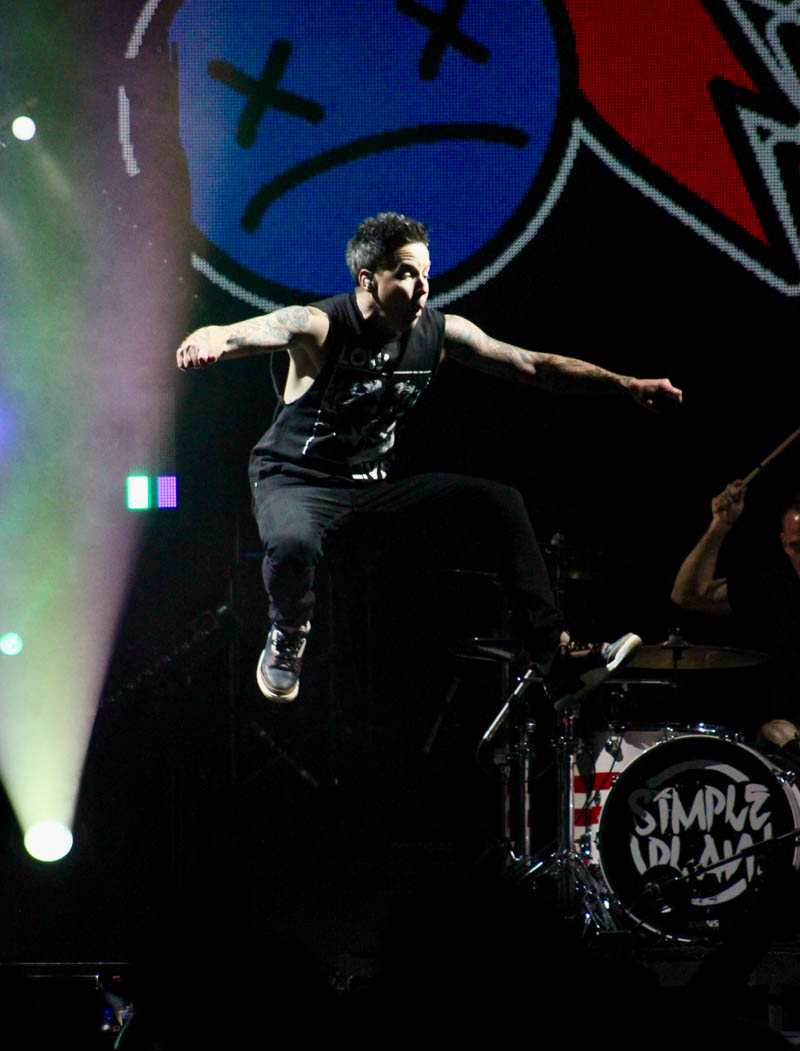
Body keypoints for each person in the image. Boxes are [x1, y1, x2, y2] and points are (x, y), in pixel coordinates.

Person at [177, 213, 681, 703]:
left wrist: (625, 385)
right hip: (295, 482)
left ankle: (554, 655)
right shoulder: (322, 326)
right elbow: (246, 331)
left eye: (426, 274)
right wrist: (209, 339)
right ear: (367, 280)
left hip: (371, 490)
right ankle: (288, 634)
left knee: (499, 501)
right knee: (292, 542)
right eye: (406, 274)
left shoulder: (439, 332)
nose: (422, 288)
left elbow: (530, 365)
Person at [671, 478, 800, 751]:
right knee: (776, 732)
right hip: (792, 744)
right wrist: (720, 525)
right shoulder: (774, 589)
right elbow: (687, 595)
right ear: (783, 543)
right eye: (796, 547)